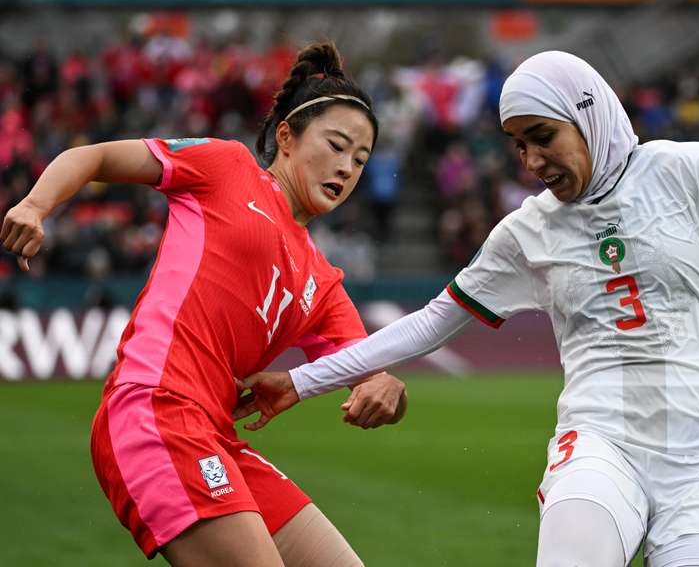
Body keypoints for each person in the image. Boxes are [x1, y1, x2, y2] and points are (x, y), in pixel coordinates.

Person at [232, 51, 699, 567]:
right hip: (602, 443)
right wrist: (299, 380)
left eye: (542, 136)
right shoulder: (527, 232)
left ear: (587, 113)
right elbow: (433, 321)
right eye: (517, 144)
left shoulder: (687, 171)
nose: (530, 160)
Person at [1, 42, 408, 566]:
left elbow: (370, 374)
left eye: (360, 159)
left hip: (215, 437)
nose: (346, 168)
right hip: (154, 410)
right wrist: (36, 206)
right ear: (285, 136)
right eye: (335, 145)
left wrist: (388, 392)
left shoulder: (324, 283)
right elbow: (95, 156)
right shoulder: (227, 166)